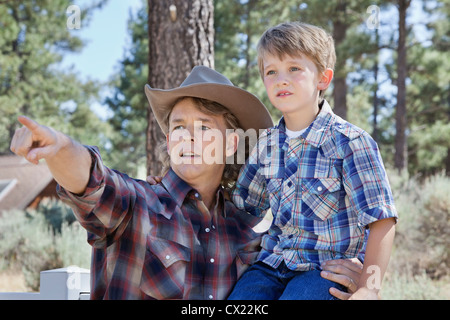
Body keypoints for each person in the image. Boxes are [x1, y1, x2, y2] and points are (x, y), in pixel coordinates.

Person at [10, 66, 362, 300]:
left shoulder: (249, 232)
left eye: (204, 127)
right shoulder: (136, 205)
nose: (188, 137)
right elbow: (91, 183)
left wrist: (352, 273)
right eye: (178, 127)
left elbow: (306, 256)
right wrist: (60, 148)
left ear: (231, 143)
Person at [228, 22, 398, 300]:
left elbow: (381, 218)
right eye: (271, 72)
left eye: (294, 68)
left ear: (323, 79)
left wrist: (370, 287)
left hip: (324, 269)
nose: (281, 79)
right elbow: (242, 207)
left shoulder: (350, 142)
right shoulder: (266, 145)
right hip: (272, 265)